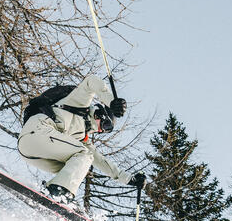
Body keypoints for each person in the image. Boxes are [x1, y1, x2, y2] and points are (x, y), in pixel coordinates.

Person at [17, 74, 146, 203]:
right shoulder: (79, 104)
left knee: (80, 164)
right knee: (84, 155)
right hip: (37, 130)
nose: (101, 130)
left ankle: (53, 192)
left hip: (30, 153)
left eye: (106, 131)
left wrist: (129, 179)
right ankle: (57, 192)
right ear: (100, 114)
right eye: (105, 125)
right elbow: (91, 81)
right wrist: (111, 101)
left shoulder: (81, 138)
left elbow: (101, 161)